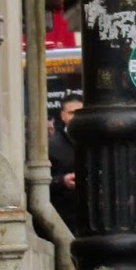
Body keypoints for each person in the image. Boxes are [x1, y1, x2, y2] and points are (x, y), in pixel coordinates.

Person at [48, 95, 82, 229]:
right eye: (72, 113)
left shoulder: (97, 143)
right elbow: (36, 182)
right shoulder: (51, 147)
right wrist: (62, 181)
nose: (76, 117)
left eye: (81, 113)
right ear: (63, 116)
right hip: (65, 219)